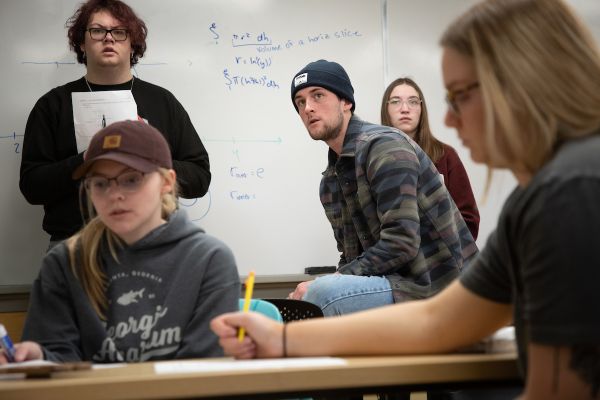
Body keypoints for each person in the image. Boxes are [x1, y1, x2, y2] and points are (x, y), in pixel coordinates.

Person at [211, 0, 600, 398]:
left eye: (461, 95)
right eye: (299, 103)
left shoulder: (570, 191)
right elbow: (437, 321)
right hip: (425, 299)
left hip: (428, 282)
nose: (446, 120)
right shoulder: (534, 199)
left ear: (524, 84)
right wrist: (281, 341)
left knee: (327, 293)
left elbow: (558, 391)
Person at [1, 120, 239, 363]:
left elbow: (203, 371)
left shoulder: (209, 259)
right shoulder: (65, 262)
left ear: (167, 182)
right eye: (100, 183)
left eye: (132, 179)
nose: (114, 194)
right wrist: (40, 357)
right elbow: (58, 361)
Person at [286, 60, 477, 316]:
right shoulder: (330, 182)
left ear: (346, 102)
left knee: (322, 293)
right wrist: (333, 280)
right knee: (308, 298)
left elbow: (401, 243)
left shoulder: (385, 147)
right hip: (394, 285)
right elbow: (351, 258)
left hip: (437, 288)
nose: (308, 108)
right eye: (300, 102)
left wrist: (329, 282)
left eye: (318, 95)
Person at [19, 0, 211, 248]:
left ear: (133, 45)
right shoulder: (53, 105)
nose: (108, 38)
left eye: (119, 32)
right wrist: (87, 159)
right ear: (81, 43)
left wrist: (149, 162)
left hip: (152, 244)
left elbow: (199, 177)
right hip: (75, 243)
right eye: (97, 31)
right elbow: (32, 187)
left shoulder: (162, 101)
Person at [381, 78, 479, 239]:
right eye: (396, 101)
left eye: (413, 102)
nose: (405, 109)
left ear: (421, 108)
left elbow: (469, 221)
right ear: (386, 109)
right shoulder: (372, 160)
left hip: (442, 261)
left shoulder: (446, 155)